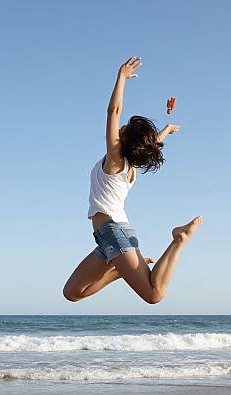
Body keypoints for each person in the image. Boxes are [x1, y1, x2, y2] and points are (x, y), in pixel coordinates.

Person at [63, 56, 203, 304]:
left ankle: (179, 239)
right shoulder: (130, 166)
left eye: (123, 130)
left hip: (113, 232)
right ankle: (118, 273)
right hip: (111, 236)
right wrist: (165, 132)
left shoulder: (115, 161)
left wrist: (121, 77)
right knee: (72, 293)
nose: (120, 129)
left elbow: (113, 112)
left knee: (154, 294)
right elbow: (148, 146)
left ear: (124, 142)